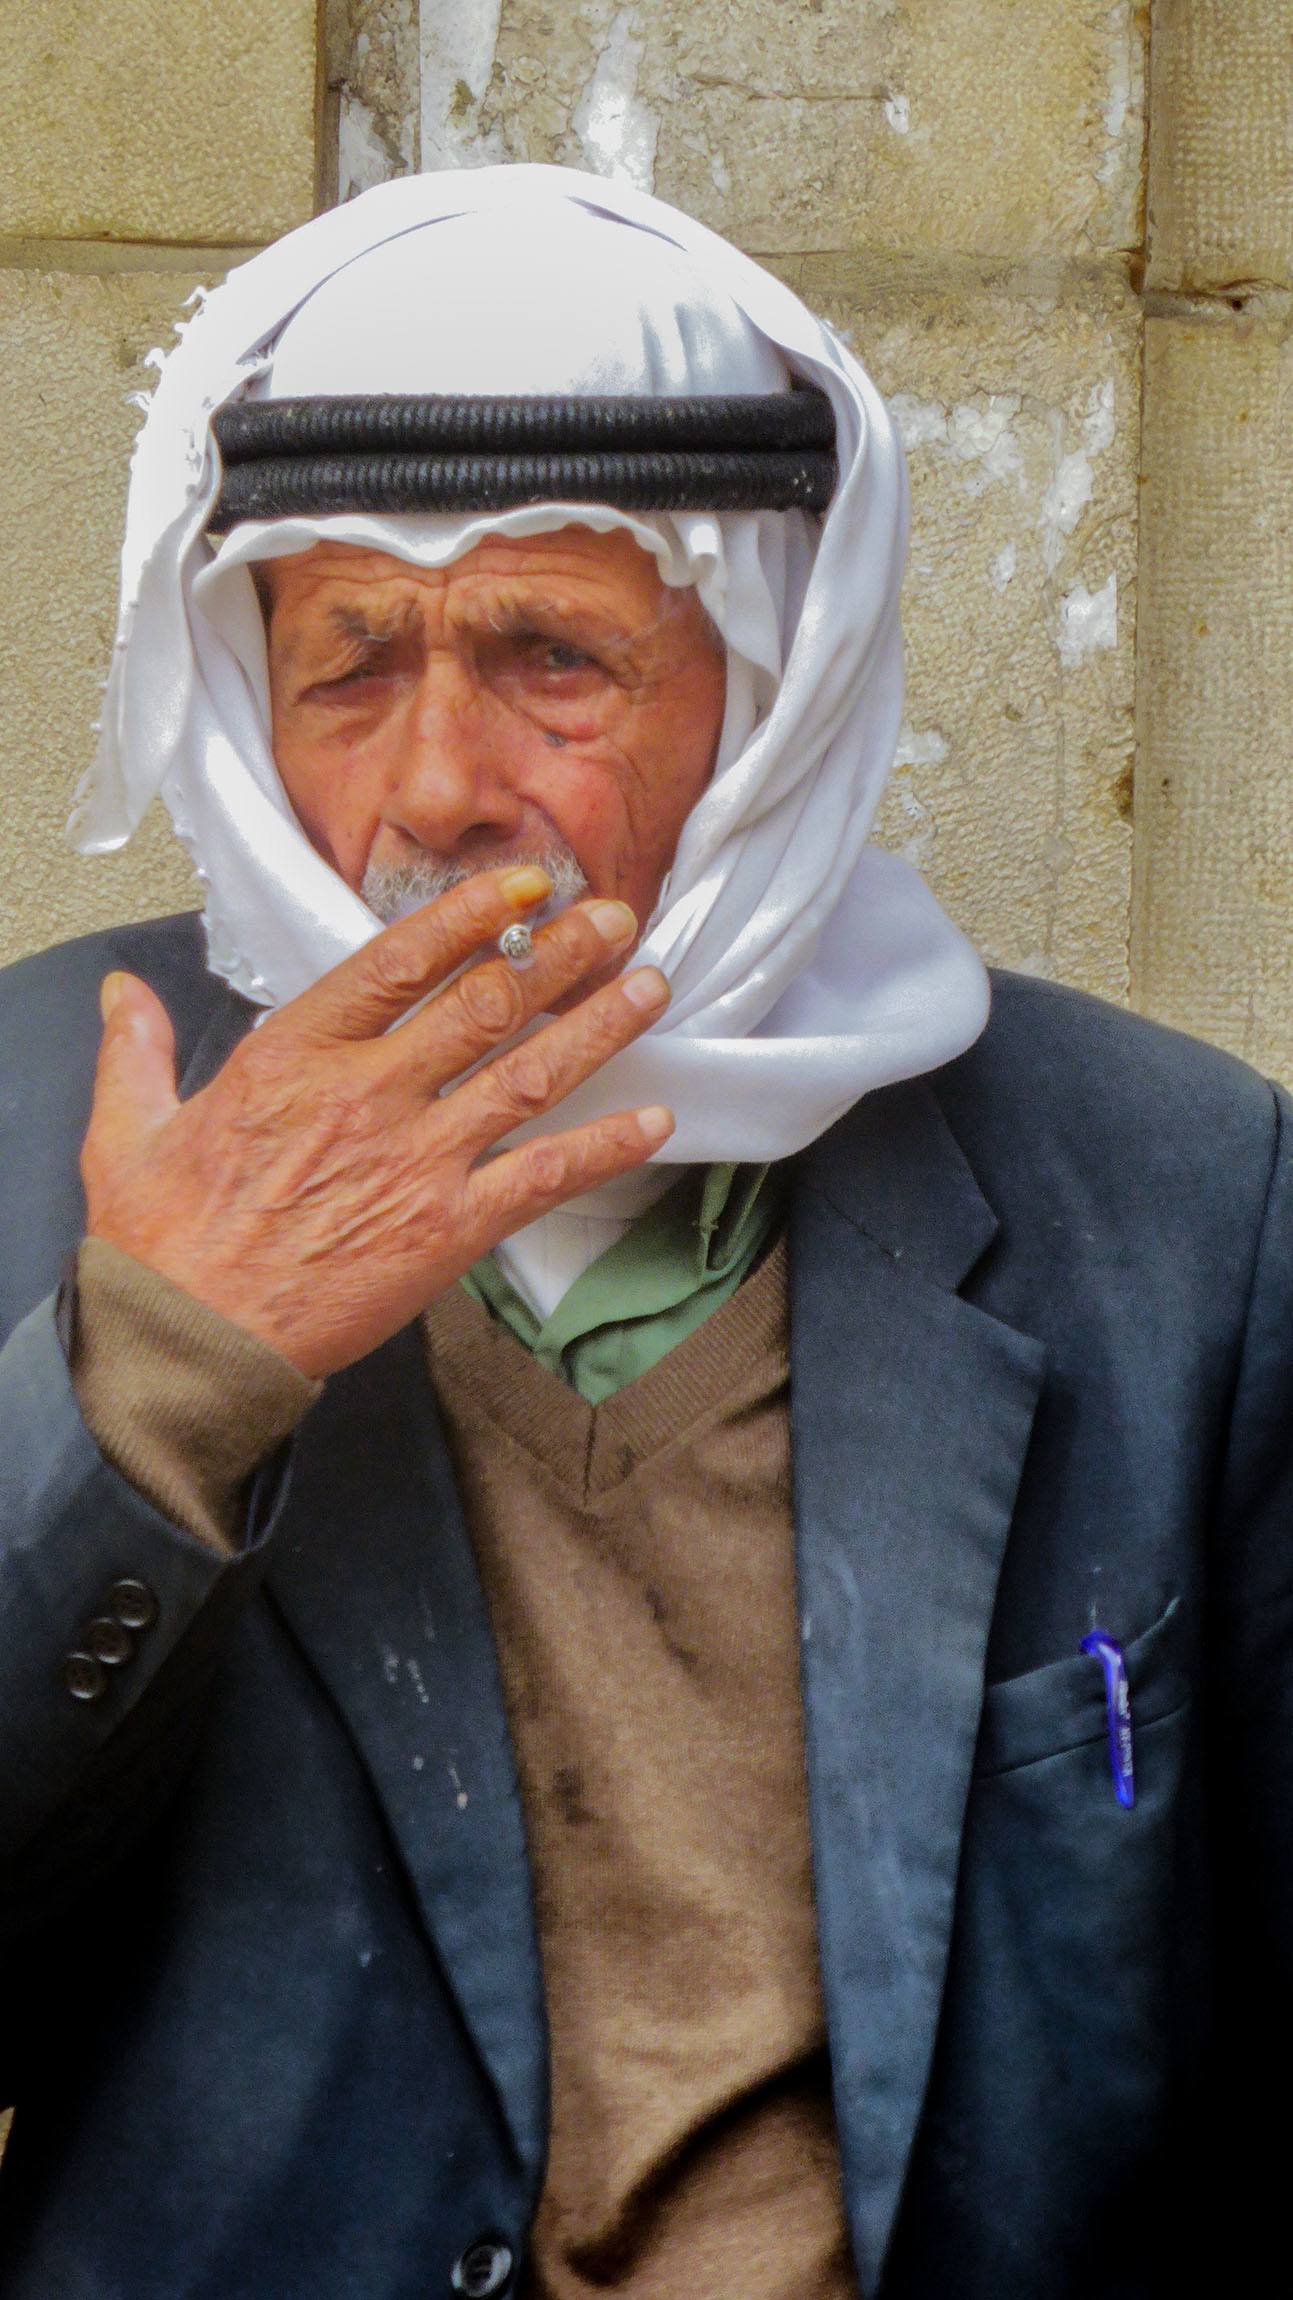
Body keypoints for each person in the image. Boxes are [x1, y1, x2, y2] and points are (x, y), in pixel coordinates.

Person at [0, 166, 1289, 2300]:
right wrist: (163, 1369)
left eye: (547, 659)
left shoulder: (1164, 1205)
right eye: (344, 672)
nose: (434, 786)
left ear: (762, 689)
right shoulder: (54, 1115)